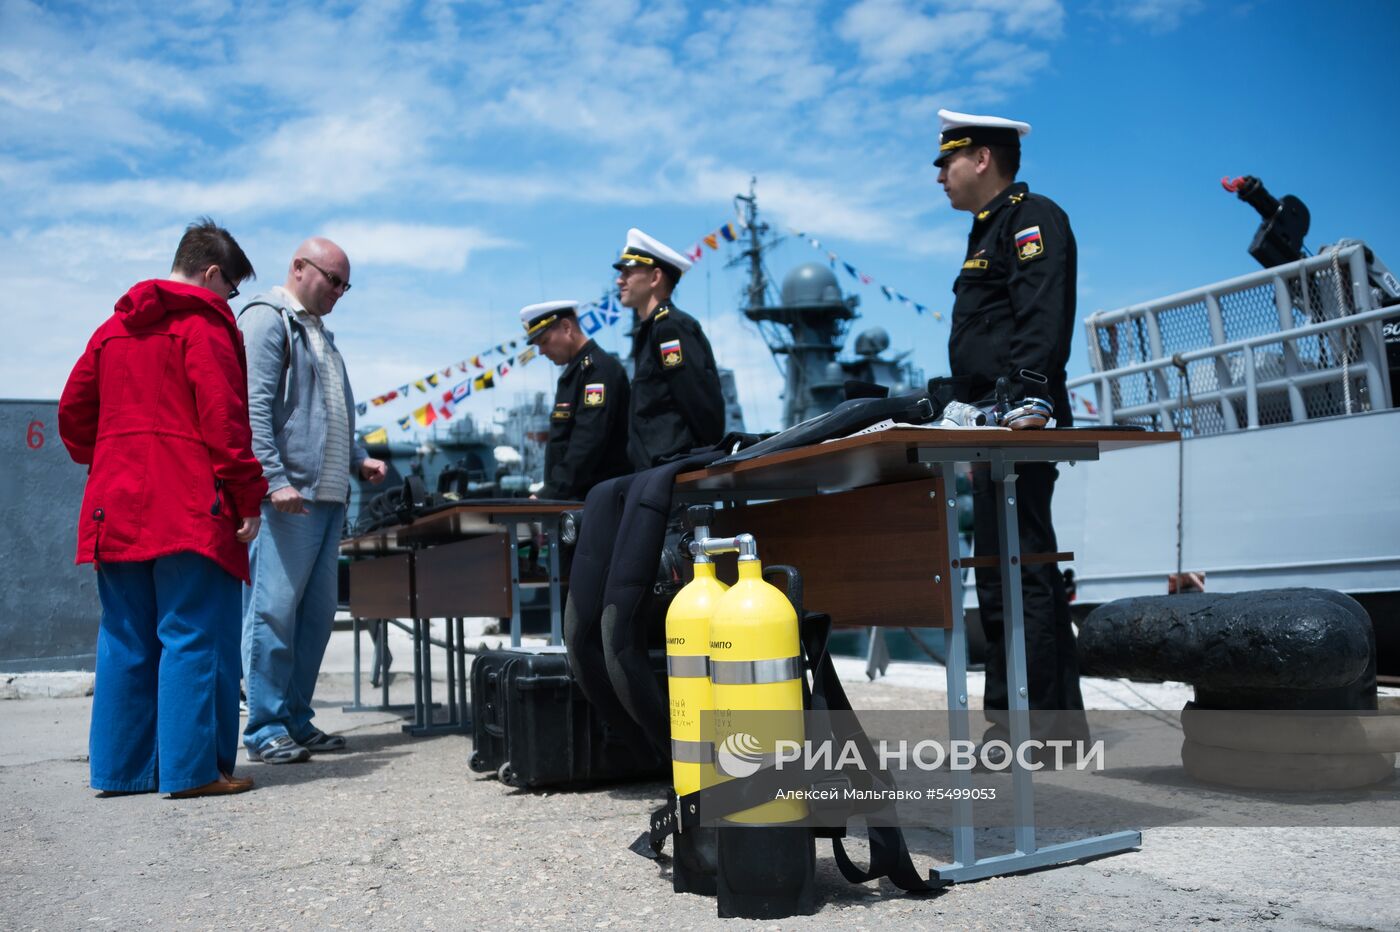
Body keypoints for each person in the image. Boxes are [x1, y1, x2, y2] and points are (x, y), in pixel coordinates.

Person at [58, 218, 267, 798]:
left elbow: (73, 414)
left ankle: (122, 774)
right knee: (193, 633)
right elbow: (225, 424)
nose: (231, 303)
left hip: (115, 506)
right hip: (189, 508)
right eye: (231, 290)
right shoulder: (204, 329)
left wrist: (109, 459)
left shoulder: (111, 330)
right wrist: (248, 496)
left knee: (124, 637)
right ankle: (192, 772)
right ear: (211, 274)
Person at [933, 108, 1087, 750]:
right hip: (988, 429)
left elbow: (1041, 316)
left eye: (947, 161)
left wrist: (1025, 396)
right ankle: (1051, 729)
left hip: (1019, 426)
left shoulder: (1032, 220)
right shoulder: (987, 231)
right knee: (1008, 576)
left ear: (982, 158)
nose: (939, 175)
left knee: (1018, 578)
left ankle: (1030, 734)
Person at [238, 237, 387, 764]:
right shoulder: (267, 320)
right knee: (273, 613)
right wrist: (274, 480)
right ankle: (263, 727)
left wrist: (357, 459)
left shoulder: (320, 334)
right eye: (334, 280)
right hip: (289, 499)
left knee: (316, 615)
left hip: (326, 500)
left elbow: (329, 414)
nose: (340, 292)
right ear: (299, 268)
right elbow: (253, 408)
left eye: (347, 285)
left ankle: (295, 720)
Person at [612, 228, 726, 468]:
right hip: (654, 469)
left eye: (628, 272)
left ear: (655, 278)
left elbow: (699, 400)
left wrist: (698, 461)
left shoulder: (670, 328)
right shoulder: (652, 331)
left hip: (673, 467)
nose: (619, 280)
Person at [520, 300, 632, 499]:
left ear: (566, 327)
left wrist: (551, 493)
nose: (541, 352)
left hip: (599, 499)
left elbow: (588, 440)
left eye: (544, 341)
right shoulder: (575, 373)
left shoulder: (597, 371)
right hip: (577, 498)